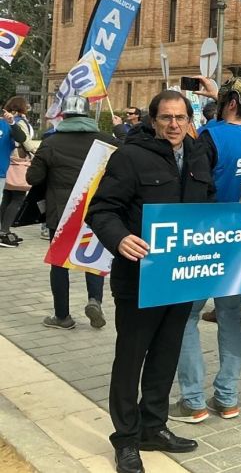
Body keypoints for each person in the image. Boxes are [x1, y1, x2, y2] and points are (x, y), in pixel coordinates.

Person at [87, 91, 219, 473]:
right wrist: (119, 237)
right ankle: (126, 440)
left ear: (189, 119)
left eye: (180, 117)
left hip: (181, 276)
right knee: (131, 359)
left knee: (166, 354)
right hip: (139, 278)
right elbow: (102, 209)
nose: (174, 125)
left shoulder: (198, 153)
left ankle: (153, 426)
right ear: (153, 119)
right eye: (166, 118)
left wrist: (229, 224)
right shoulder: (130, 156)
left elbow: (206, 202)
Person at [171, 68, 241, 425]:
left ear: (231, 103)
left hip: (206, 235)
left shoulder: (209, 135)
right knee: (230, 315)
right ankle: (228, 397)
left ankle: (193, 400)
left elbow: (193, 187)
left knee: (186, 317)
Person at [27, 96, 118, 328]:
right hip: (97, 211)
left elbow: (32, 178)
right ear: (87, 115)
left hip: (61, 213)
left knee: (60, 263)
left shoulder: (50, 142)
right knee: (93, 259)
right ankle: (94, 300)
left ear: (64, 115)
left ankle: (62, 316)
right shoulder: (107, 141)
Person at [0, 96, 32, 247]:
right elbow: (24, 141)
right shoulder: (15, 121)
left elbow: (20, 137)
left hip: (8, 163)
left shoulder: (11, 121)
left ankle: (3, 231)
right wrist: (34, 151)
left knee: (7, 197)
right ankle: (4, 231)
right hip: (16, 162)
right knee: (17, 196)